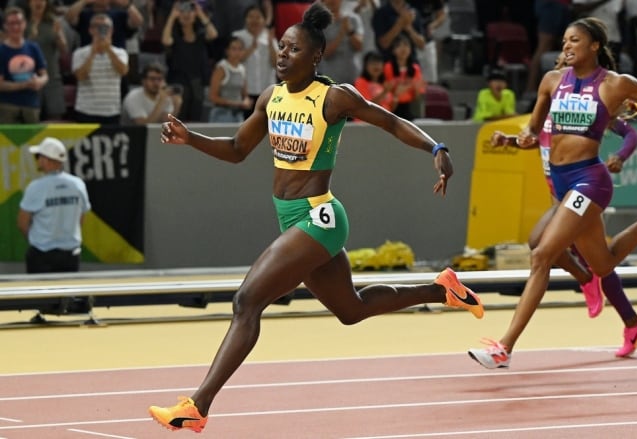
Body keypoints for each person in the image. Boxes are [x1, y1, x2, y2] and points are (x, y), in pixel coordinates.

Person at [148, 3, 483, 432]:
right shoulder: (271, 98)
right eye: (281, 47)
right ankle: (442, 290)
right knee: (352, 310)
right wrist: (189, 138)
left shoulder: (333, 97)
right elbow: (236, 150)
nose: (282, 56)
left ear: (316, 57)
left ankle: (197, 406)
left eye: (292, 50)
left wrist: (437, 149)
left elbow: (392, 121)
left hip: (318, 217)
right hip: (291, 218)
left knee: (246, 302)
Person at [465, 17, 637, 369]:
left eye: (574, 40)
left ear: (594, 46)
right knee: (603, 263)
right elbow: (533, 133)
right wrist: (512, 140)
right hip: (561, 183)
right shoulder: (552, 81)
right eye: (563, 41)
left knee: (542, 253)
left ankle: (504, 347)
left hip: (589, 180)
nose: (566, 47)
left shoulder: (615, 84)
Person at [17, 137, 91, 274]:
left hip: (41, 255)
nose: (37, 160)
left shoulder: (36, 187)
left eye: (38, 156)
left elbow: (22, 222)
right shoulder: (78, 184)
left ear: (46, 159)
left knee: (39, 295)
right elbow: (81, 218)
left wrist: (35, 240)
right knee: (68, 294)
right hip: (70, 255)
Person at [161, 0, 218, 122]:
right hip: (178, 81)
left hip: (198, 81)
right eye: (182, 12)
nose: (186, 14)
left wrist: (200, 13)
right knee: (179, 116)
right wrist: (172, 16)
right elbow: (166, 40)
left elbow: (213, 34)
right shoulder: (175, 37)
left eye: (190, 11)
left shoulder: (200, 35)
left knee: (196, 116)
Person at [71, 13, 129, 124]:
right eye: (97, 26)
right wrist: (93, 52)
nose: (101, 30)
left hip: (111, 111)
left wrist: (108, 50)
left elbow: (123, 71)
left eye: (105, 27)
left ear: (111, 31)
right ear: (90, 30)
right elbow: (80, 76)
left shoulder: (120, 53)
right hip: (85, 110)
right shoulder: (79, 53)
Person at [0, 6, 49, 124]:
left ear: (25, 24)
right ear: (5, 26)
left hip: (31, 105)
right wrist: (25, 85)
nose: (15, 27)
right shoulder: (1, 50)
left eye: (18, 23)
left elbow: (45, 75)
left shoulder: (33, 48)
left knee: (33, 142)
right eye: (11, 23)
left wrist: (39, 82)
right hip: (8, 106)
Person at [25, 0, 69, 121]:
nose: (38, 3)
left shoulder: (53, 22)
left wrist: (58, 35)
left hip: (52, 77)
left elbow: (64, 50)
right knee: (31, 118)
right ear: (29, 3)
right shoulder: (22, 23)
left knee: (55, 118)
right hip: (28, 79)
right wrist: (30, 37)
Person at [232, 4, 277, 120]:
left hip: (267, 90)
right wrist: (252, 47)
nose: (254, 20)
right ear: (245, 19)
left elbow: (276, 64)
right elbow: (234, 60)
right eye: (251, 17)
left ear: (264, 20)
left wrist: (271, 44)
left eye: (258, 17)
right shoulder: (238, 36)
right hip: (245, 93)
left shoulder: (270, 38)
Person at [207, 36, 252, 123]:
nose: (237, 52)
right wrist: (237, 103)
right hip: (221, 114)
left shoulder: (242, 69)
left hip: (238, 115)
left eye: (240, 49)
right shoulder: (221, 68)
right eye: (234, 49)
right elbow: (213, 97)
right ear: (227, 51)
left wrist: (246, 101)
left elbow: (244, 94)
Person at [318, 0, 363, 84]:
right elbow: (325, 54)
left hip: (353, 78)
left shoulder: (353, 19)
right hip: (331, 80)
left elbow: (359, 47)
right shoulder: (319, 24)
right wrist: (341, 33)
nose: (333, 1)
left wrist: (349, 31)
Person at [383, 32, 425, 120]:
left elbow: (418, 92)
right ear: (393, 50)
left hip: (410, 105)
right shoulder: (388, 67)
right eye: (399, 46)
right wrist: (407, 87)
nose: (403, 49)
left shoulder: (415, 68)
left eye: (406, 45)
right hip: (393, 105)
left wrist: (413, 89)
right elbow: (389, 89)